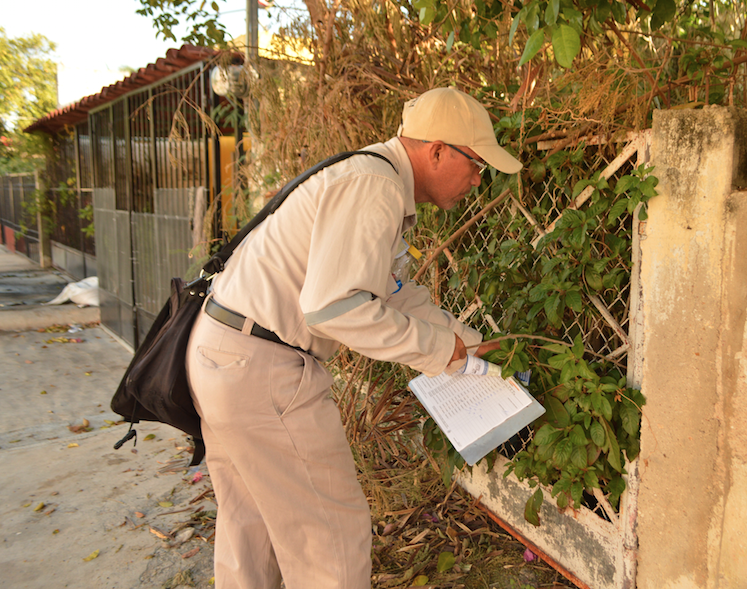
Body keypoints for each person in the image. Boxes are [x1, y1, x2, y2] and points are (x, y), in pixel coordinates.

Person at [185, 86, 524, 589]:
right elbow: (333, 308)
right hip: (263, 374)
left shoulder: (367, 174)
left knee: (249, 531)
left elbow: (391, 293)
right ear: (436, 151)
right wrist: (439, 351)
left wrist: (468, 344)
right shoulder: (374, 185)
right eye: (476, 164)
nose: (478, 179)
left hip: (223, 355)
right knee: (331, 543)